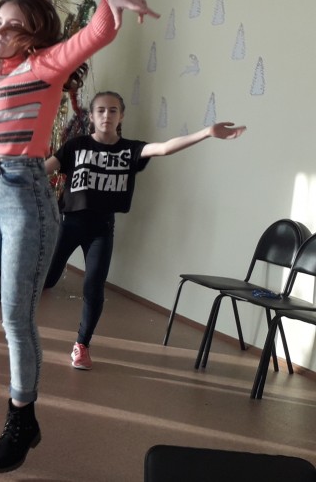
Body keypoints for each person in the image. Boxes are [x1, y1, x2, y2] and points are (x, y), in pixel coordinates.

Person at [0, 0, 158, 473]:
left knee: (16, 318)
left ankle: (21, 418)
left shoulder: (45, 66)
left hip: (26, 199)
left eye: (14, 25)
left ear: (34, 35)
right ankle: (16, 290)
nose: (0, 30)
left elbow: (95, 34)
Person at [42, 91, 245, 370]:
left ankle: (82, 345)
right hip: (71, 224)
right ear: (91, 116)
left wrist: (206, 133)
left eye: (113, 110)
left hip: (102, 229)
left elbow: (164, 148)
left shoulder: (130, 149)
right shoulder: (76, 146)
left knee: (94, 287)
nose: (106, 115)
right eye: (100, 110)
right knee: (48, 278)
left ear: (121, 116)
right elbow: (44, 169)